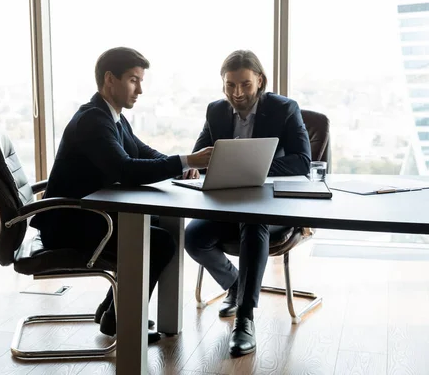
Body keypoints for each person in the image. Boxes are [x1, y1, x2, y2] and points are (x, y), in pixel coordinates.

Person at [30, 47, 213, 343]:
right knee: (159, 241)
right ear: (109, 80)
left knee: (156, 227)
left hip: (87, 216)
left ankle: (111, 310)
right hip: (69, 224)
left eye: (141, 81)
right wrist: (187, 161)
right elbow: (126, 170)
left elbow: (142, 152)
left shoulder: (112, 116)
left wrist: (181, 166)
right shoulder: (93, 120)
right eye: (133, 80)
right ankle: (122, 319)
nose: (140, 89)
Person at [184, 50, 311, 356]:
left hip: (272, 206)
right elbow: (201, 153)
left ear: (260, 81)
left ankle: (245, 318)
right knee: (193, 237)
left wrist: (256, 165)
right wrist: (192, 164)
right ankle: (236, 284)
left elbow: (303, 162)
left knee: (252, 222)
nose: (237, 93)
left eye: (245, 85)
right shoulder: (216, 111)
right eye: (230, 86)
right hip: (229, 202)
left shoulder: (284, 109)